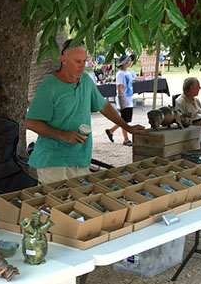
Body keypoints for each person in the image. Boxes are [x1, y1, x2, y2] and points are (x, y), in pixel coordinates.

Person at [25, 40, 145, 184]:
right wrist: (63, 135)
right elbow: (31, 122)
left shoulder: (86, 81)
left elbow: (104, 106)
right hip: (53, 162)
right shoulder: (49, 87)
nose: (82, 66)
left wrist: (127, 127)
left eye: (84, 61)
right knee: (59, 199)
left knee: (81, 198)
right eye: (77, 61)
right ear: (64, 59)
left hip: (81, 158)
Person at [105, 54, 136, 146]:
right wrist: (121, 102)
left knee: (125, 120)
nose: (130, 62)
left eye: (130, 60)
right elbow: (119, 89)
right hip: (124, 100)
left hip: (129, 99)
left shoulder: (127, 73)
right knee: (124, 121)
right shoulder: (120, 74)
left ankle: (111, 131)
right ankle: (126, 139)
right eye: (128, 60)